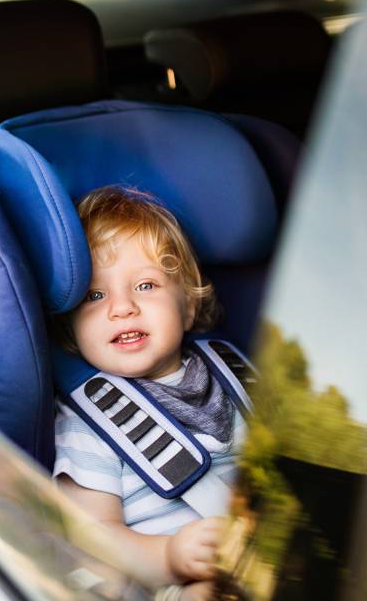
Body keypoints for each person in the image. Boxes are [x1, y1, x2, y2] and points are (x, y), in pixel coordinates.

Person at [53, 186, 243, 595]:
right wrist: (169, 556)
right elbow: (93, 537)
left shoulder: (236, 372)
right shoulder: (88, 425)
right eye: (95, 295)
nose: (121, 308)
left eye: (145, 286)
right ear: (72, 327)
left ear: (189, 305)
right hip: (177, 583)